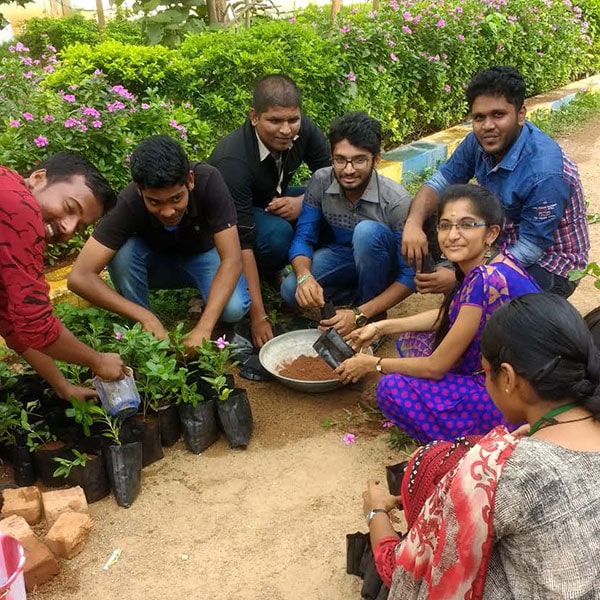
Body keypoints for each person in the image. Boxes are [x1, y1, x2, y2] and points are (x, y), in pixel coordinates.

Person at [360, 293, 600, 599]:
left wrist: (376, 513)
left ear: (509, 378)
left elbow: (403, 571)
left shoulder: (498, 470)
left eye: (485, 372)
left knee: (433, 463)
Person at [338, 184, 540, 442]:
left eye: (467, 225)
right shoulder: (495, 264)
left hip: (515, 401)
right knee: (414, 339)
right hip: (523, 386)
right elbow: (452, 315)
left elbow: (435, 367)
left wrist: (373, 364)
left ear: (491, 233)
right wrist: (380, 327)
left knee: (391, 387)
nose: (453, 235)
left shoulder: (485, 280)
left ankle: (474, 439)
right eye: (445, 226)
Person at [401, 66, 589, 298]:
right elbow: (440, 182)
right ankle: (460, 293)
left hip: (550, 263)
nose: (488, 126)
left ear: (521, 114)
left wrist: (462, 275)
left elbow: (529, 250)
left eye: (498, 115)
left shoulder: (545, 173)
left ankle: (467, 294)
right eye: (479, 117)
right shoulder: (477, 142)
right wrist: (412, 223)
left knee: (489, 303)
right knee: (427, 213)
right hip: (500, 236)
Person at [68, 135, 250, 353]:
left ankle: (214, 317)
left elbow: (231, 259)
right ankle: (144, 330)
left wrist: (204, 327)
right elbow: (79, 277)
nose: (167, 212)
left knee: (234, 308)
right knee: (122, 253)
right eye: (154, 202)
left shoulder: (209, 180)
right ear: (139, 189)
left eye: (176, 199)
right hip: (157, 265)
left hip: (203, 257)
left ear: (190, 180)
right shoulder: (129, 203)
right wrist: (142, 315)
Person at [208, 74, 330, 348]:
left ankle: (322, 274)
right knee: (277, 234)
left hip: (271, 200)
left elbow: (328, 176)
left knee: (328, 202)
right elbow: (242, 243)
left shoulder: (304, 131)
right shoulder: (233, 161)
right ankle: (268, 274)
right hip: (229, 226)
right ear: (254, 117)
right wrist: (259, 316)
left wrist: (302, 203)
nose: (286, 130)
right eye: (275, 121)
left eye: (292, 119)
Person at [0, 153, 126, 401]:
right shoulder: (19, 207)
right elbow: (36, 324)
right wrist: (98, 361)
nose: (68, 228)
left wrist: (63, 386)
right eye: (70, 208)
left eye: (79, 226)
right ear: (38, 178)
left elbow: (11, 318)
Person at [280, 111, 415, 336]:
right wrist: (305, 277)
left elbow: (409, 277)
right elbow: (304, 237)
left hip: (384, 264)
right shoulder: (321, 181)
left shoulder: (396, 200)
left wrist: (359, 314)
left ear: (376, 160)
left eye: (359, 160)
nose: (348, 170)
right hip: (343, 256)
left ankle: (371, 315)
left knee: (367, 233)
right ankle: (355, 297)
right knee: (289, 289)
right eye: (340, 160)